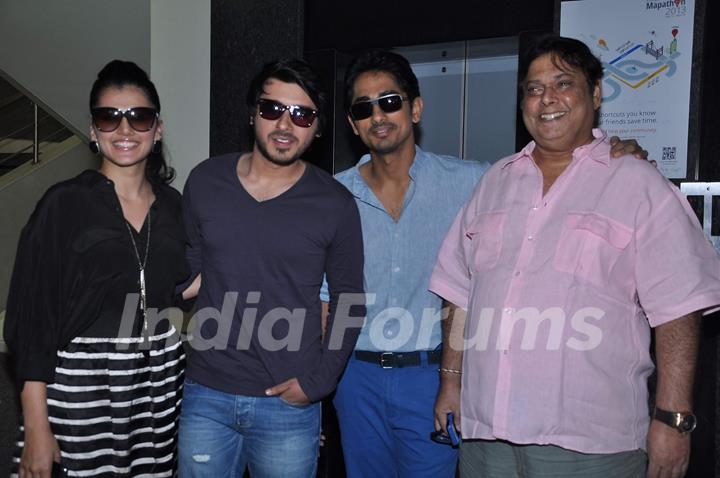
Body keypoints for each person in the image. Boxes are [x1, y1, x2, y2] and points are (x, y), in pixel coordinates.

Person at [322, 49, 647, 478]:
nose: (378, 115)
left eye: (390, 101)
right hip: (355, 378)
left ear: (415, 108)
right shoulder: (329, 196)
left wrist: (617, 152)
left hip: (436, 374)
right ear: (352, 123)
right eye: (364, 108)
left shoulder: (476, 181)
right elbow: (320, 297)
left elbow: (550, 174)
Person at [429, 35, 720, 478]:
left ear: (596, 93)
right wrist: (451, 381)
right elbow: (459, 293)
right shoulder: (494, 182)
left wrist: (673, 420)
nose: (547, 99)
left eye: (564, 83)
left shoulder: (637, 184)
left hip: (591, 448)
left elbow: (678, 309)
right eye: (533, 87)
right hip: (486, 439)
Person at [176, 58, 365, 478]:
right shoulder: (205, 181)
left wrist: (318, 384)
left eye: (302, 115)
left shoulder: (334, 203)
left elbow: (349, 300)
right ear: (251, 113)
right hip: (206, 393)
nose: (284, 124)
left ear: (317, 129)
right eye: (271, 109)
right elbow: (189, 261)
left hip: (288, 402)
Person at [4, 60, 191, 477]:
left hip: (156, 392)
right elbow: (32, 315)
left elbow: (173, 287)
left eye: (139, 117)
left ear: (157, 129)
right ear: (93, 130)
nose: (125, 130)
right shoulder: (63, 204)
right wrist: (36, 424)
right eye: (110, 117)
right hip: (79, 390)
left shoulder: (176, 208)